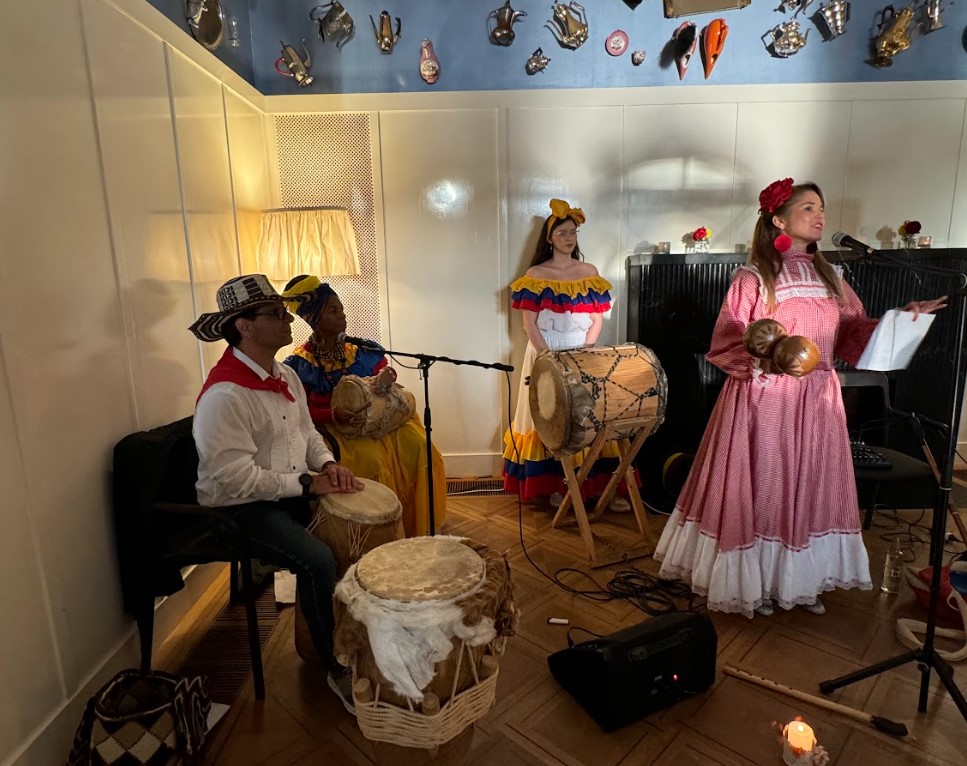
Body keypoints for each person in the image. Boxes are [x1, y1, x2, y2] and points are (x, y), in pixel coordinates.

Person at [654, 178, 947, 618]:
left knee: (810, 485)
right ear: (779, 219)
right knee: (767, 485)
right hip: (766, 397)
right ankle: (758, 585)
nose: (819, 215)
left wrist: (902, 318)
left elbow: (853, 332)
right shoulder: (755, 276)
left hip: (818, 400)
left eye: (821, 207)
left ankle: (799, 581)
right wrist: (769, 360)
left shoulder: (832, 276)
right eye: (808, 207)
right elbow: (726, 339)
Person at [189, 273, 364, 714]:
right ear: (243, 326)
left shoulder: (284, 374)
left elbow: (306, 433)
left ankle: (352, 635)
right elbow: (233, 480)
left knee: (356, 529)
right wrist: (305, 483)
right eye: (273, 313)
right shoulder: (224, 396)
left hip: (285, 490)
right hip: (240, 509)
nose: (287, 318)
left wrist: (326, 464)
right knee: (318, 558)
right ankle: (335, 664)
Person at [281, 275, 446, 537]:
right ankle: (381, 534)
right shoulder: (299, 364)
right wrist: (333, 414)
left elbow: (384, 382)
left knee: (420, 446)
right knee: (373, 461)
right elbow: (301, 413)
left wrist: (384, 380)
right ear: (314, 318)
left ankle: (419, 529)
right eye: (333, 311)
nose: (342, 316)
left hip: (376, 423)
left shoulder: (361, 350)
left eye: (342, 309)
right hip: (335, 430)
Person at [502, 198, 634, 508]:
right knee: (551, 418)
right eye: (562, 232)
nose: (568, 237)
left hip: (583, 352)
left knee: (589, 417)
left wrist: (585, 353)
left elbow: (597, 318)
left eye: (572, 232)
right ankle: (556, 486)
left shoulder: (589, 271)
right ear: (549, 238)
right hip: (545, 352)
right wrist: (551, 360)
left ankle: (597, 485)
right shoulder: (535, 274)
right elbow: (529, 326)